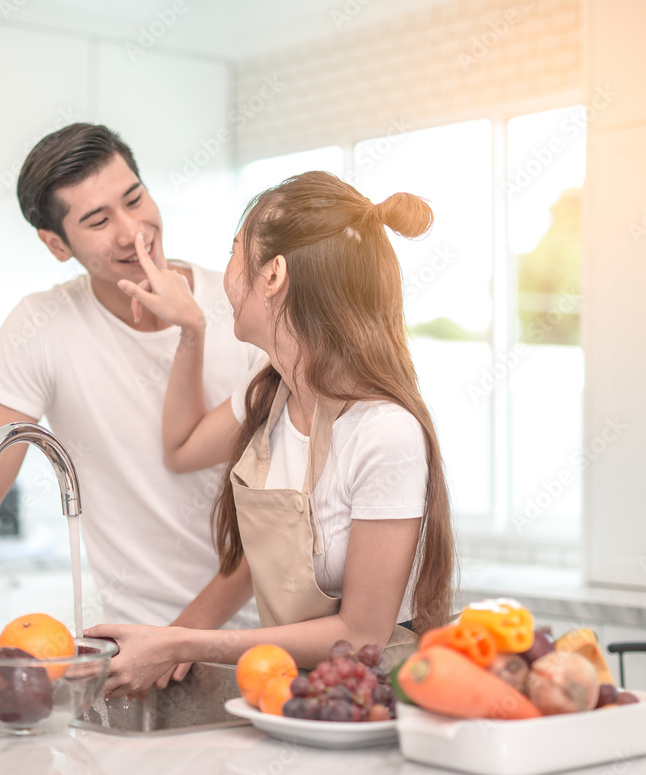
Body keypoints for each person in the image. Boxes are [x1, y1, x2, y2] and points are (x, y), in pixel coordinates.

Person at [0, 124, 261, 682]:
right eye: (98, 220)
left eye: (135, 199)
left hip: (260, 643)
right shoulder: (40, 326)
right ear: (57, 244)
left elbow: (284, 513)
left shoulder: (243, 309)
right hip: (130, 649)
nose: (132, 232)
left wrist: (181, 638)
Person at [87, 171, 455, 697]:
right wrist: (191, 330)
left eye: (235, 252)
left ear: (273, 275)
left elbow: (362, 633)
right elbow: (181, 449)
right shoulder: (268, 397)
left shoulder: (383, 433)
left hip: (371, 714)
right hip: (296, 699)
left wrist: (184, 643)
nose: (226, 274)